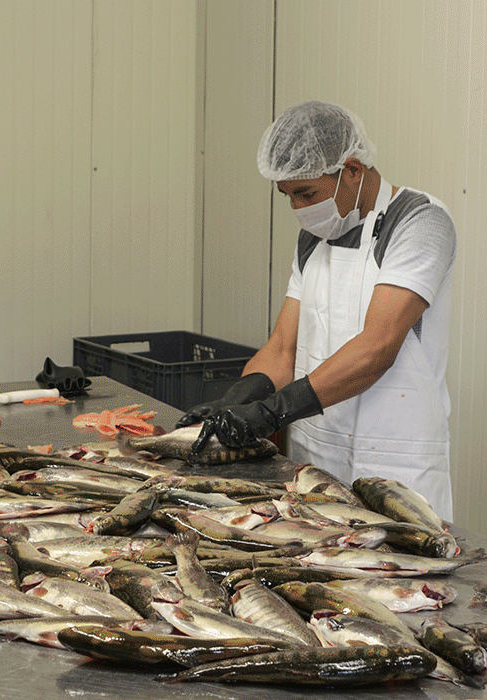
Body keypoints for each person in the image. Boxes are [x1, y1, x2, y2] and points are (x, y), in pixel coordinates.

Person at [184, 101, 458, 518]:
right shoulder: (315, 237)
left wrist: (273, 411)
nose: (298, 208)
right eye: (288, 196)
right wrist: (237, 399)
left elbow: (377, 347)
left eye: (306, 193)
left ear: (351, 170)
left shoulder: (419, 222)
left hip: (395, 471)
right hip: (314, 466)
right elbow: (282, 348)